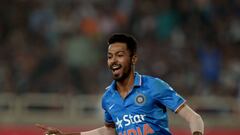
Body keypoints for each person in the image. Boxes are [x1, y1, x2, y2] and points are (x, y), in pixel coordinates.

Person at [37, 33, 204, 135]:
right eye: (110, 56)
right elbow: (110, 131)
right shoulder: (108, 98)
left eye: (119, 55)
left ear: (133, 59)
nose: (113, 61)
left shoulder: (154, 86)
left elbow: (193, 118)